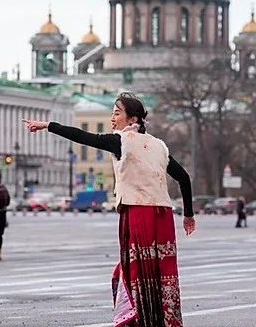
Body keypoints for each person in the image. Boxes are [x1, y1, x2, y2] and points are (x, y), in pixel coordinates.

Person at [23, 92, 196, 327]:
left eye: (117, 113)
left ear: (132, 120)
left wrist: (48, 125)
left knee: (137, 271)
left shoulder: (121, 141)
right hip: (163, 216)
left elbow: (84, 137)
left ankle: (138, 320)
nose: (112, 118)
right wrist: (188, 215)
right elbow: (183, 178)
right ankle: (165, 321)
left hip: (138, 213)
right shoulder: (160, 146)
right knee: (161, 272)